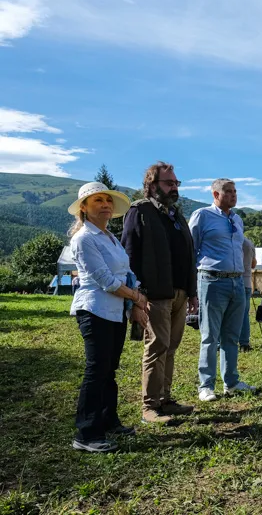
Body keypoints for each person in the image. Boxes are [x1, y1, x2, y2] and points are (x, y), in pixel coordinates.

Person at [68, 182, 149, 453]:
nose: (105, 204)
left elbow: (126, 273)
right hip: (94, 310)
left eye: (107, 200)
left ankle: (108, 421)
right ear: (83, 208)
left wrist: (133, 303)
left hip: (115, 312)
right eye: (97, 201)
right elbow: (105, 280)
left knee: (109, 369)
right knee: (97, 370)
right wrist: (137, 298)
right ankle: (86, 434)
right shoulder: (84, 239)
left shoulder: (110, 238)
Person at [121, 161, 197, 424]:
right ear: (152, 185)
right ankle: (150, 407)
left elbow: (189, 254)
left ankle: (165, 399)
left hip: (180, 292)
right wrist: (136, 296)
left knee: (171, 347)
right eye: (169, 183)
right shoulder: (139, 211)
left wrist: (191, 291)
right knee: (157, 346)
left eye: (176, 183)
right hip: (154, 293)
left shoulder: (176, 215)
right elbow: (129, 255)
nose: (174, 187)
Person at [188, 179, 254, 402]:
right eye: (228, 191)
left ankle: (231, 382)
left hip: (237, 281)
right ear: (215, 194)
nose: (234, 195)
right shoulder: (202, 216)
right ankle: (206, 385)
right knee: (210, 336)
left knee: (231, 335)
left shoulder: (237, 219)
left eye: (235, 191)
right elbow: (191, 250)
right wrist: (191, 285)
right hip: (212, 280)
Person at [239, 236, 257, 352]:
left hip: (234, 280)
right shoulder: (249, 243)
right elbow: (253, 264)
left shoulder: (230, 240)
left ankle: (220, 342)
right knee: (244, 314)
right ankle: (244, 343)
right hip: (246, 282)